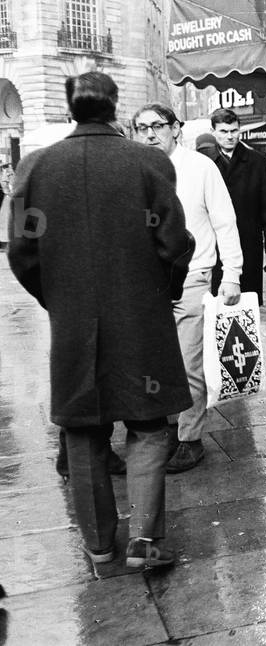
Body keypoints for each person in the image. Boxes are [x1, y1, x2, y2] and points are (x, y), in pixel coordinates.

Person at [7, 71, 194, 568]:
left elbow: (23, 252)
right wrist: (162, 292)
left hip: (73, 325)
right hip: (143, 319)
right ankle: (145, 542)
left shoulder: (36, 168)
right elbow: (175, 243)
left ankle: (99, 544)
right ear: (115, 109)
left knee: (84, 432)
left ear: (71, 109)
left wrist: (61, 300)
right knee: (150, 426)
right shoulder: (149, 162)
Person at [134, 103, 245, 474]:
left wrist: (232, 274)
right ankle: (167, 427)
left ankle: (190, 438)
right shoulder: (134, 170)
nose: (150, 134)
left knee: (188, 361)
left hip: (193, 278)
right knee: (156, 361)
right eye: (141, 127)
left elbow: (225, 222)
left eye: (158, 126)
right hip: (147, 282)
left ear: (176, 128)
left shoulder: (201, 168)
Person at [197, 108, 266, 305]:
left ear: (240, 130)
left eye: (233, 131)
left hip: (247, 243)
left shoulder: (257, 162)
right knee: (214, 306)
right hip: (212, 244)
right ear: (213, 132)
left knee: (245, 306)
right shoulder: (203, 162)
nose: (230, 136)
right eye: (223, 132)